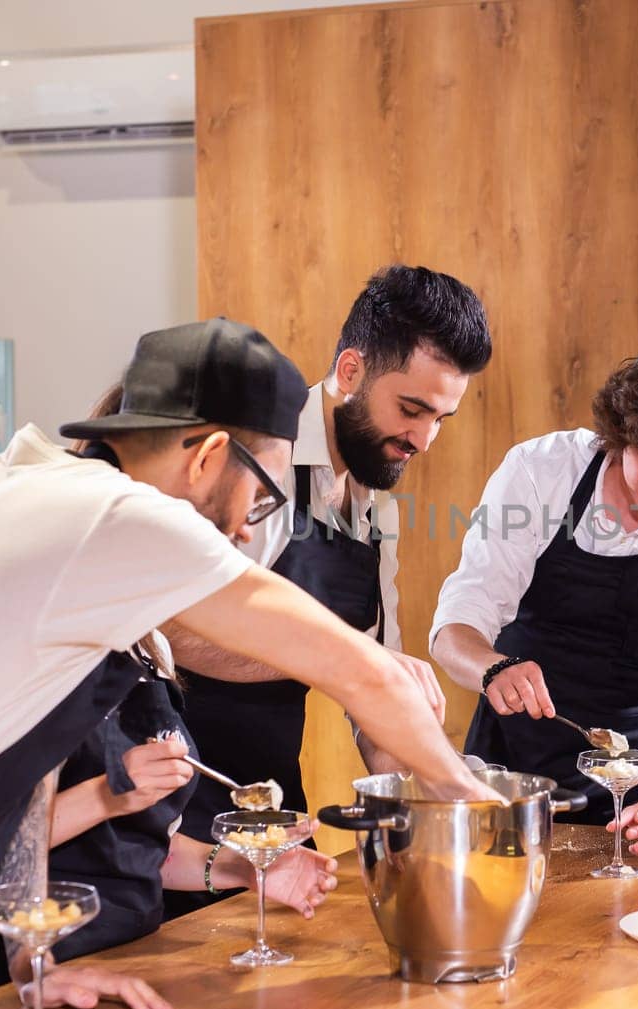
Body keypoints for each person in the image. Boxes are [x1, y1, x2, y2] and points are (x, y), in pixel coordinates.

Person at [0, 318, 490, 1009]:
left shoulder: (57, 497)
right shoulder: (120, 519)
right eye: (258, 499)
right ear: (212, 454)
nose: (244, 527)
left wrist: (30, 957)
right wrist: (482, 810)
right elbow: (364, 674)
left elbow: (30, 770)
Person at [0, 383, 341, 1006]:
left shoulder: (148, 638)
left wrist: (248, 871)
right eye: (254, 502)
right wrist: (107, 793)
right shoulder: (42, 610)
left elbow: (148, 851)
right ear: (199, 464)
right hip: (28, 979)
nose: (241, 536)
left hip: (126, 960)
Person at [161, 267, 490, 915]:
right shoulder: (258, 455)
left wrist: (427, 805)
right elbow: (169, 629)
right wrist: (349, 664)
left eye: (442, 418)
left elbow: (376, 700)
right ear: (349, 371)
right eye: (412, 409)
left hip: (273, 810)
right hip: (175, 812)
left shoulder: (372, 503)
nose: (424, 439)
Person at [430, 334, 638, 861]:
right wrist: (494, 668)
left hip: (628, 795)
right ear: (621, 433)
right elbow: (459, 622)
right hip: (502, 781)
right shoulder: (540, 472)